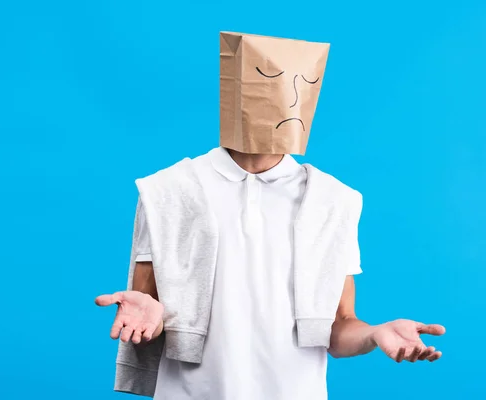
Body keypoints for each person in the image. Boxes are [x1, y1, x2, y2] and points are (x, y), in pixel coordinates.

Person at [95, 32, 445, 400]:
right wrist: (146, 316)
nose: (290, 97)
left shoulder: (334, 201)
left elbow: (339, 326)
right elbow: (143, 310)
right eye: (264, 78)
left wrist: (375, 333)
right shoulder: (168, 190)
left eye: (306, 85)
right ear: (234, 91)